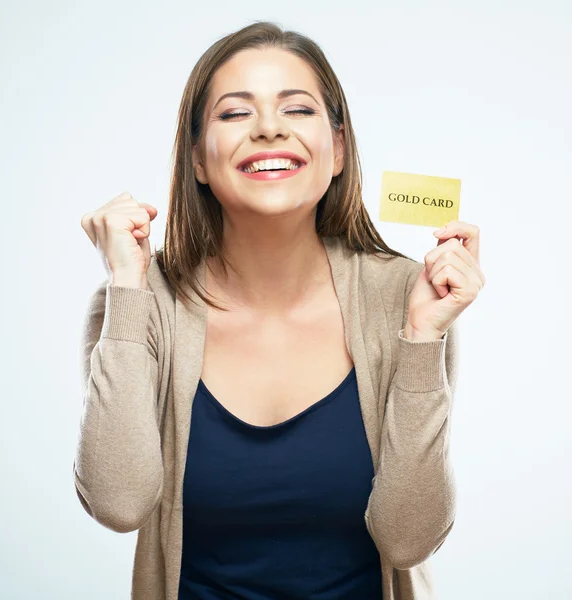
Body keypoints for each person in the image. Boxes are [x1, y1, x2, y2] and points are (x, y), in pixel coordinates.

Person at [75, 21, 485, 600]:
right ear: (197, 158)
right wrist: (126, 285)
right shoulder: (138, 302)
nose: (268, 128)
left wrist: (421, 336)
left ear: (338, 149)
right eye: (235, 114)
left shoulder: (406, 297)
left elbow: (408, 541)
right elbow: (119, 503)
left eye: (296, 109)